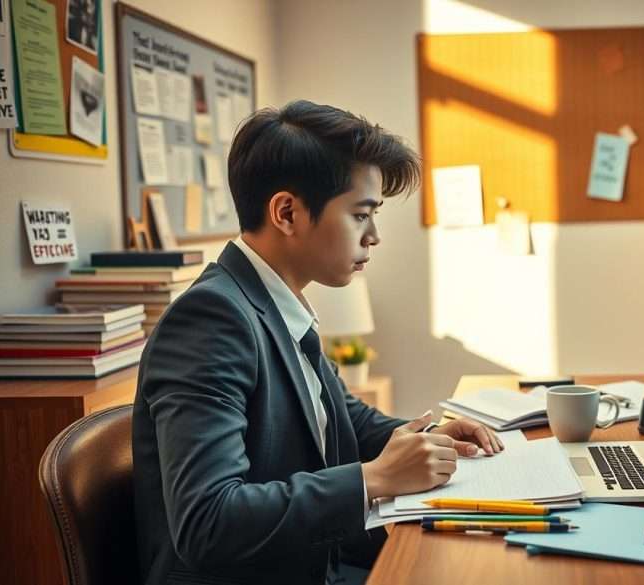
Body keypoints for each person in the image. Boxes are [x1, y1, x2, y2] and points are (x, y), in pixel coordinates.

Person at [132, 100, 504, 585]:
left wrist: (431, 434)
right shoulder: (211, 319)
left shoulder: (272, 302)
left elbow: (344, 419)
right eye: (360, 215)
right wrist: (376, 478)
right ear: (287, 212)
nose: (373, 237)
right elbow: (208, 520)